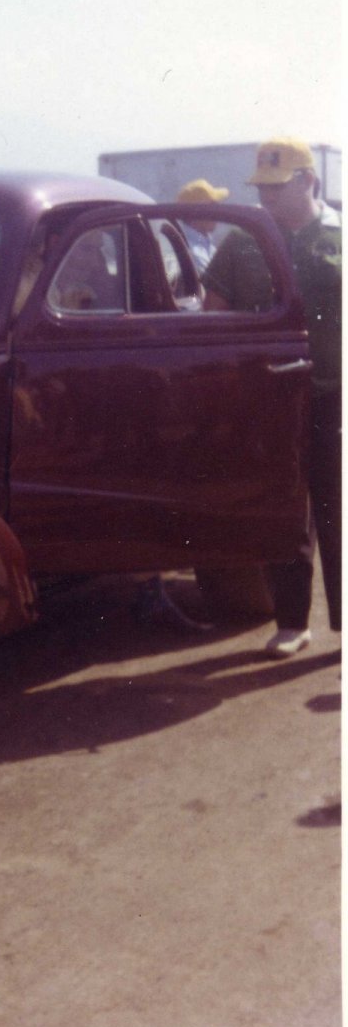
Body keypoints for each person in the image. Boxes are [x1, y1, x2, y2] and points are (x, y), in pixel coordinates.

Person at [202, 137, 342, 658]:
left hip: (335, 392)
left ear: (308, 181)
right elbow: (212, 317)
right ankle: (291, 621)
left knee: (338, 507)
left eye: (276, 188)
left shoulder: (340, 235)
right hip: (269, 397)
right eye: (260, 188)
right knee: (283, 508)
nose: (266, 199)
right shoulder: (242, 242)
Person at [175, 178, 229, 273]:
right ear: (196, 213)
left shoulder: (206, 245)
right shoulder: (191, 252)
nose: (217, 212)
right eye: (213, 207)